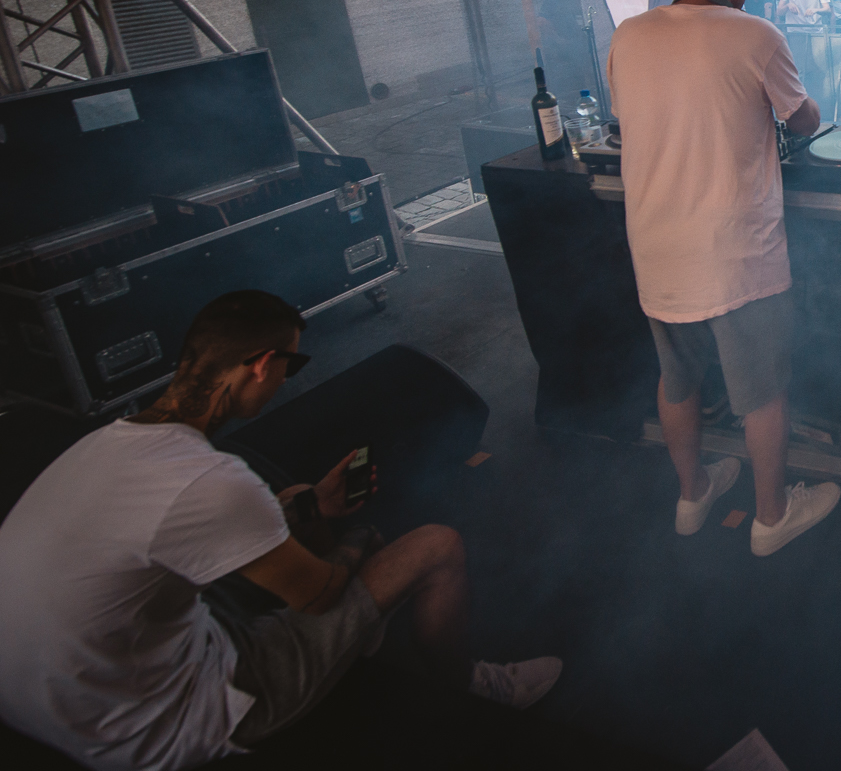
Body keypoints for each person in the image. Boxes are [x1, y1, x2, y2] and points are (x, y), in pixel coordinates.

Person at [0, 291, 560, 771]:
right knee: (436, 546)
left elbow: (177, 528)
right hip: (158, 728)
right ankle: (474, 688)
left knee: (293, 501)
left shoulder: (105, 443)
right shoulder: (215, 482)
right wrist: (356, 540)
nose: (286, 381)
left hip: (41, 704)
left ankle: (355, 642)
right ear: (263, 365)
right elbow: (320, 595)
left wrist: (310, 506)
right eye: (290, 366)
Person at [607, 0, 841, 558]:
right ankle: (771, 518)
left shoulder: (628, 35)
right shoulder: (756, 35)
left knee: (677, 380)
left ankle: (692, 496)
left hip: (655, 244)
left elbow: (641, 116)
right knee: (762, 389)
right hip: (734, 252)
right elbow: (804, 120)